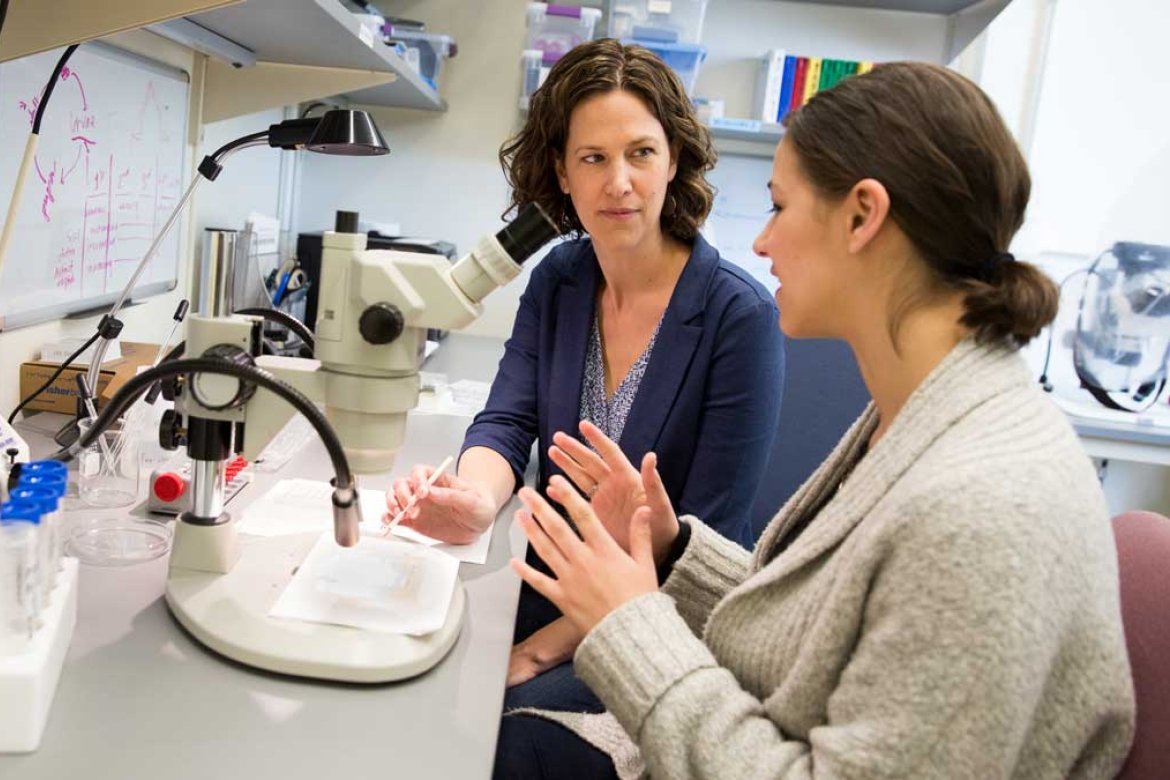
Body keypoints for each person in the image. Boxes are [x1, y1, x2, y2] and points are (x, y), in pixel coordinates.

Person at [498, 61, 1136, 779]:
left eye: (778, 206)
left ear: (862, 215)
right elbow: (820, 625)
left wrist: (630, 624)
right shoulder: (930, 409)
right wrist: (673, 548)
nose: (763, 242)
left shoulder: (979, 509)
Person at [386, 39, 784, 693]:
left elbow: (709, 538)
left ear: (673, 159)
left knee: (502, 735)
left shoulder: (737, 316)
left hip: (663, 620)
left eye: (641, 153)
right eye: (593, 158)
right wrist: (477, 501)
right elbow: (507, 421)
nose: (618, 182)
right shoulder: (560, 281)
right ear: (563, 173)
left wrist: (543, 649)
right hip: (552, 586)